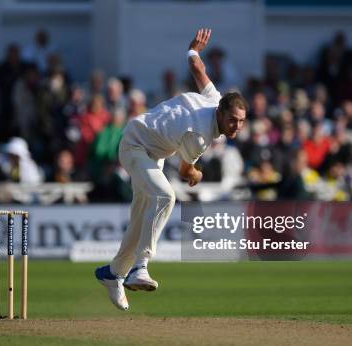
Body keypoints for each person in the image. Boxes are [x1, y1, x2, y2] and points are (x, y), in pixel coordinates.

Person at [94, 29, 248, 310]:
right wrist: (197, 174)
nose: (236, 126)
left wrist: (193, 51)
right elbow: (187, 171)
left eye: (241, 122)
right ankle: (141, 267)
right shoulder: (200, 135)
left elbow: (197, 68)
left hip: (154, 150)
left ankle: (113, 273)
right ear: (221, 113)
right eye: (233, 120)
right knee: (166, 197)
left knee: (141, 216)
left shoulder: (215, 98)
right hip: (135, 145)